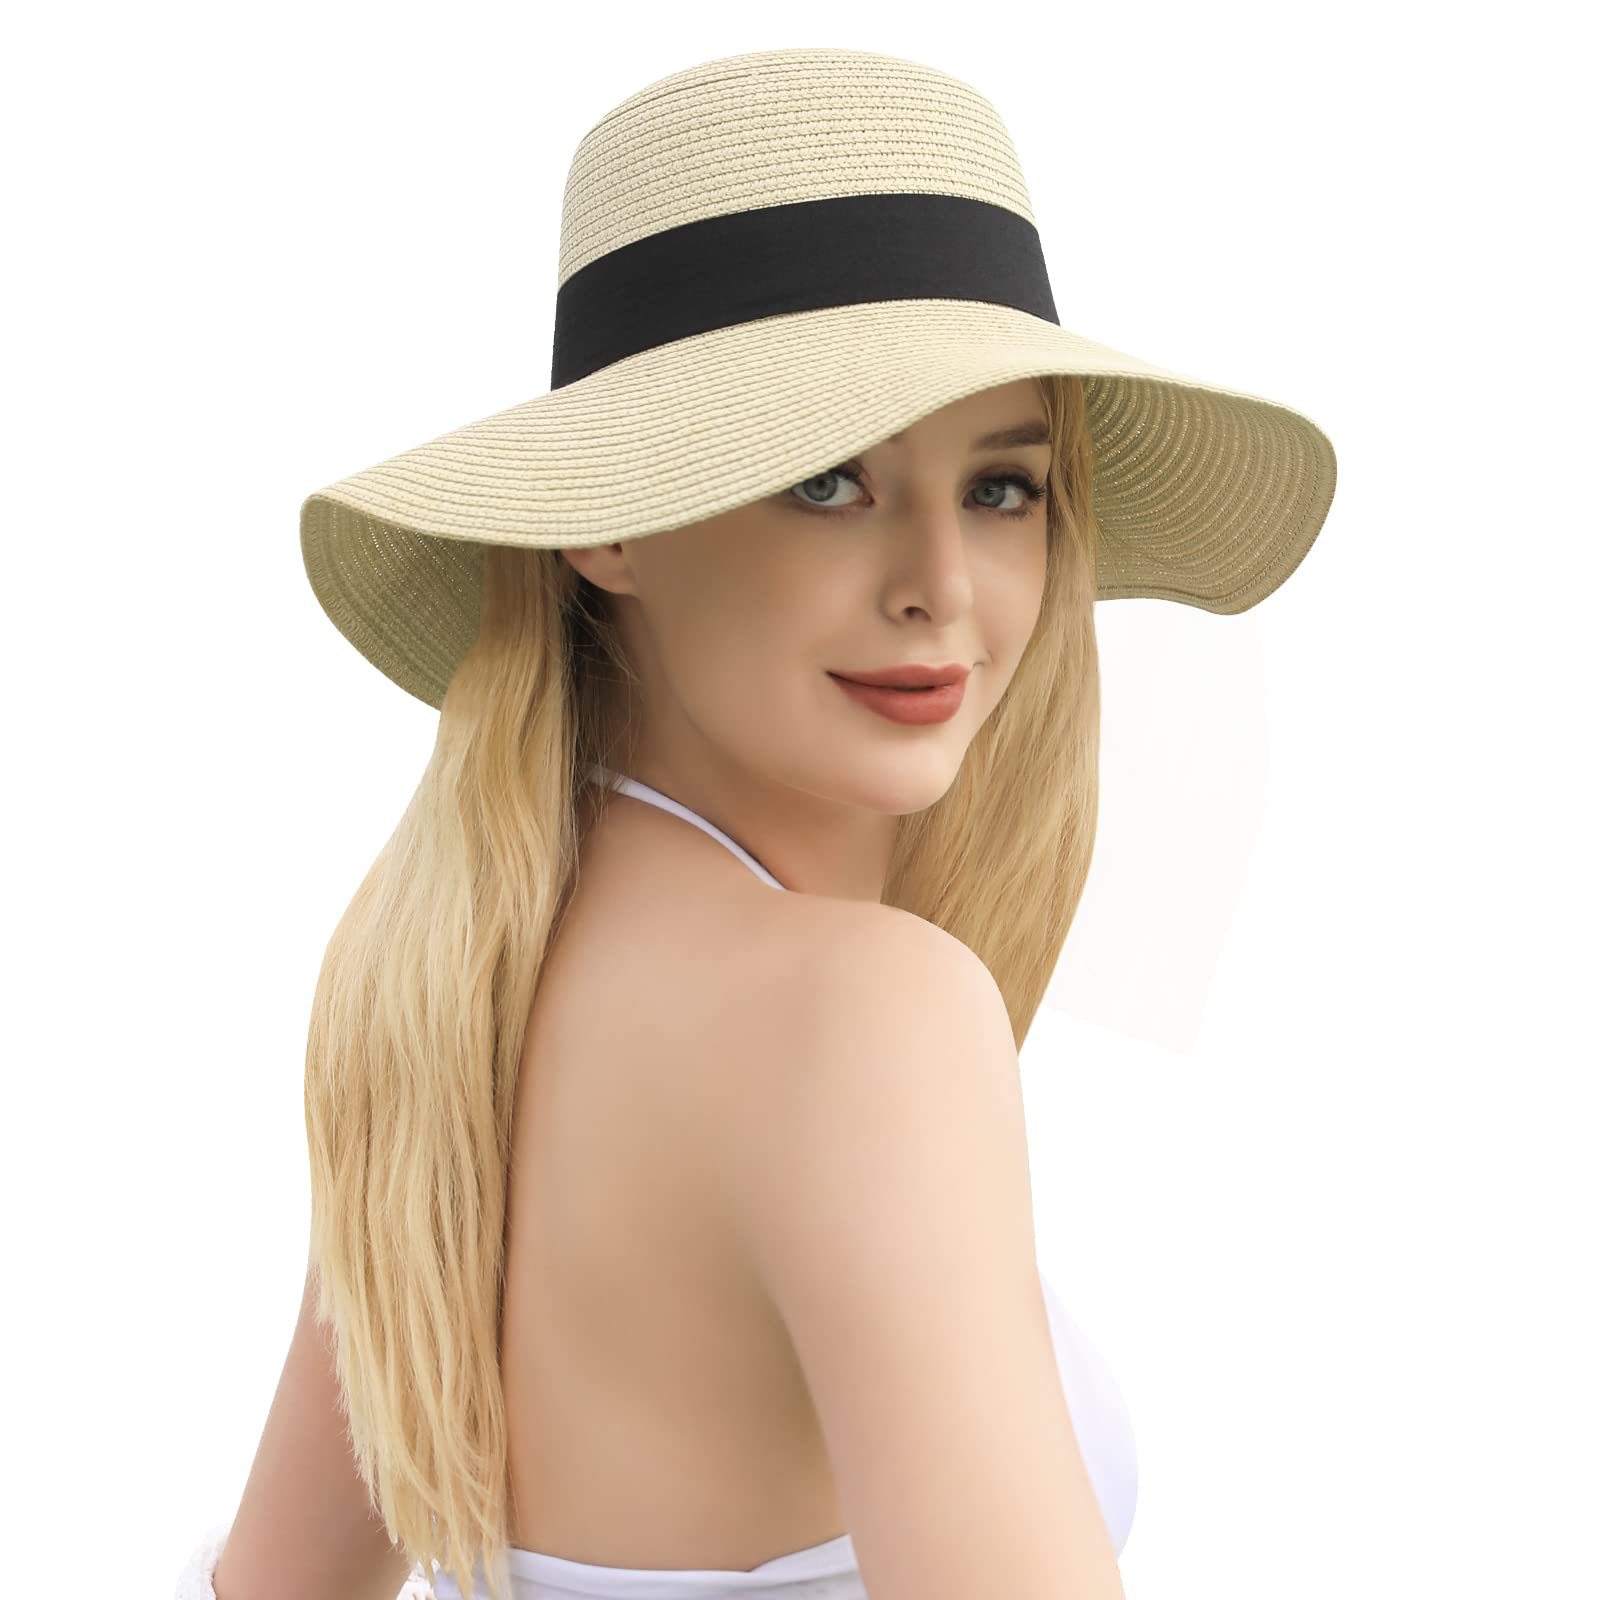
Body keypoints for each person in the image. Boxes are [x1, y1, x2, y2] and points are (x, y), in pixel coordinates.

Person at [175, 44, 1336, 1600]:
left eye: (1001, 490)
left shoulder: (449, 990)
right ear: (608, 523)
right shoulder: (862, 1017)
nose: (941, 583)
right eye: (829, 481)